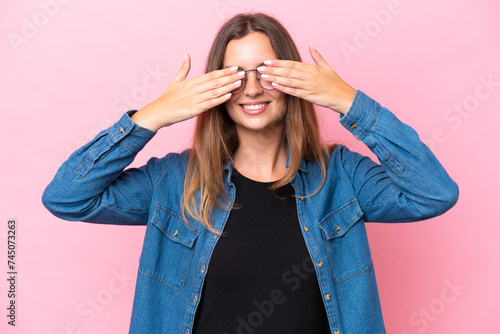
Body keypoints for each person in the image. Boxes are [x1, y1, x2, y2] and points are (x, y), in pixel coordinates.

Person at [42, 12, 459, 334]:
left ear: (294, 78)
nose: (253, 89)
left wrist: (348, 101)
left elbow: (434, 193)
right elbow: (67, 197)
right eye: (236, 75)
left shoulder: (342, 178)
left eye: (266, 72)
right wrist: (151, 117)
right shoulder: (175, 182)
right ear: (215, 87)